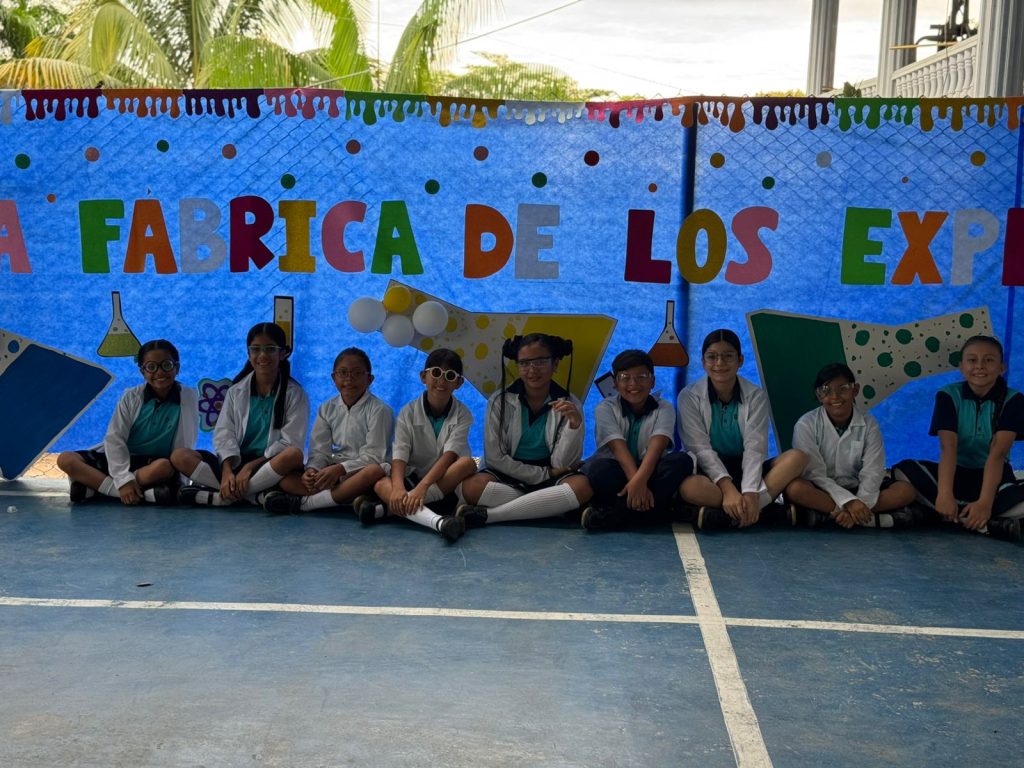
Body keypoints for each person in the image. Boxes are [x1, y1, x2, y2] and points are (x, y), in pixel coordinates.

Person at [894, 335, 1024, 542]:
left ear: (1002, 367)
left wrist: (985, 503)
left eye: (989, 360)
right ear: (961, 367)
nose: (980, 366)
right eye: (972, 360)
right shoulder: (948, 395)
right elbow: (949, 448)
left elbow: (998, 454)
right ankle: (984, 522)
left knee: (1014, 498)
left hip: (994, 478)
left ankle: (946, 515)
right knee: (902, 470)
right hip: (955, 474)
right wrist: (945, 494)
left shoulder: (1014, 400)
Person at [677, 328, 807, 531]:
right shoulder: (689, 396)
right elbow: (700, 449)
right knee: (689, 488)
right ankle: (766, 514)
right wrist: (727, 489)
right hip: (711, 474)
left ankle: (729, 514)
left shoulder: (756, 395)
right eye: (712, 357)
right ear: (703, 362)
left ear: (740, 361)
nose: (720, 363)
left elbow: (755, 448)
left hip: (748, 468)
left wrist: (750, 492)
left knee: (797, 458)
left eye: (728, 356)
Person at [456, 333, 585, 528]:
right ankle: (548, 505)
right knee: (471, 487)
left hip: (553, 472)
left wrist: (574, 425)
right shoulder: (499, 401)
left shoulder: (570, 404)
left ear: (555, 364)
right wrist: (544, 474)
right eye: (524, 363)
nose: (532, 370)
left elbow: (563, 464)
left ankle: (490, 515)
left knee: (582, 488)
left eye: (540, 362)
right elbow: (495, 458)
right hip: (511, 472)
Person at [172, 322, 308, 507]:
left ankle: (221, 497)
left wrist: (250, 467)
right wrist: (227, 470)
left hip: (268, 464)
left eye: (270, 349)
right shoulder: (236, 391)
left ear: (283, 353)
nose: (262, 355)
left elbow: (290, 442)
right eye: (255, 349)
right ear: (249, 353)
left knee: (293, 455)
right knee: (179, 456)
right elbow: (224, 433)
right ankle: (255, 495)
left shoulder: (295, 394)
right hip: (236, 462)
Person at [565, 349, 694, 530]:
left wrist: (639, 481)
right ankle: (659, 511)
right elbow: (618, 448)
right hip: (619, 472)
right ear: (615, 383)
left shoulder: (664, 407)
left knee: (681, 460)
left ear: (652, 381)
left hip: (650, 471)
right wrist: (637, 483)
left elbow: (657, 447)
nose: (633, 384)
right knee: (599, 469)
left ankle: (615, 516)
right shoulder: (605, 408)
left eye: (641, 377)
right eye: (625, 377)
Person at [57, 339, 197, 505]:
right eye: (151, 367)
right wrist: (123, 480)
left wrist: (180, 480)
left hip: (152, 464)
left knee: (164, 467)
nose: (159, 372)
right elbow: (115, 439)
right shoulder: (131, 397)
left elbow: (185, 444)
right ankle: (121, 491)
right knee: (66, 459)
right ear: (142, 371)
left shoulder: (188, 397)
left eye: (167, 365)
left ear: (177, 368)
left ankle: (98, 487)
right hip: (119, 460)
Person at [360, 348, 477, 542]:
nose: (441, 381)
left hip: (445, 483)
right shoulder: (408, 412)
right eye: (436, 373)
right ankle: (439, 522)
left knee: (467, 463)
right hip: (413, 478)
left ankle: (388, 509)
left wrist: (422, 488)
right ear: (423, 376)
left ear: (459, 383)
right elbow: (400, 453)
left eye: (450, 376)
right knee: (381, 484)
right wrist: (398, 487)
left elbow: (449, 455)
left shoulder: (463, 414)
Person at [261, 347, 392, 515]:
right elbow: (319, 450)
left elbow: (374, 456)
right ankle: (339, 497)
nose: (349, 378)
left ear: (369, 379)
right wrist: (313, 471)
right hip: (333, 472)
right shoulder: (327, 408)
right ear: (333, 378)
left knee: (374, 471)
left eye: (357, 373)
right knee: (286, 479)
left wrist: (341, 469)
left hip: (360, 471)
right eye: (343, 373)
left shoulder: (380, 410)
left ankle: (305, 504)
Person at [785, 362, 917, 528]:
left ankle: (834, 517)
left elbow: (873, 470)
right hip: (823, 491)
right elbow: (814, 474)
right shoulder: (806, 424)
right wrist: (848, 502)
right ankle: (868, 519)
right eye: (826, 390)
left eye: (843, 389)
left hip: (858, 489)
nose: (835, 396)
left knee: (906, 491)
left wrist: (860, 502)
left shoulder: (869, 424)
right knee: (795, 489)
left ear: (855, 390)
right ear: (819, 396)